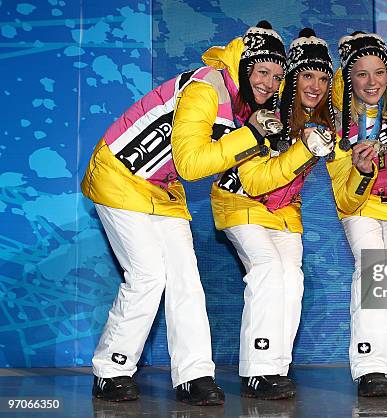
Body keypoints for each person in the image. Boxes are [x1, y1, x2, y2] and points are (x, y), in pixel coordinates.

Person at [81, 21, 286, 405]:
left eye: (277, 76)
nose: (270, 83)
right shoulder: (206, 88)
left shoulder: (245, 105)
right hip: (119, 175)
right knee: (147, 276)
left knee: (186, 281)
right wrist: (253, 136)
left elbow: (236, 170)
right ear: (244, 66)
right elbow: (191, 164)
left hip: (161, 187)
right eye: (263, 72)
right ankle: (111, 370)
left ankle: (194, 376)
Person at [207, 27, 335, 400]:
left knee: (291, 279)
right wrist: (304, 150)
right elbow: (257, 180)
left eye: (324, 78)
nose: (315, 85)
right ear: (292, 80)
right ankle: (257, 370)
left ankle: (276, 367)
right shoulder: (263, 111)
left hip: (283, 212)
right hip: (240, 200)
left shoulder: (324, 119)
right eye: (306, 76)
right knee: (266, 269)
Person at [327, 31, 387, 397]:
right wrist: (362, 173)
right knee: (372, 272)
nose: (371, 82)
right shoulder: (334, 120)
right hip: (360, 204)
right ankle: (370, 366)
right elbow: (342, 191)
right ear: (349, 76)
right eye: (361, 73)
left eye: (379, 72)